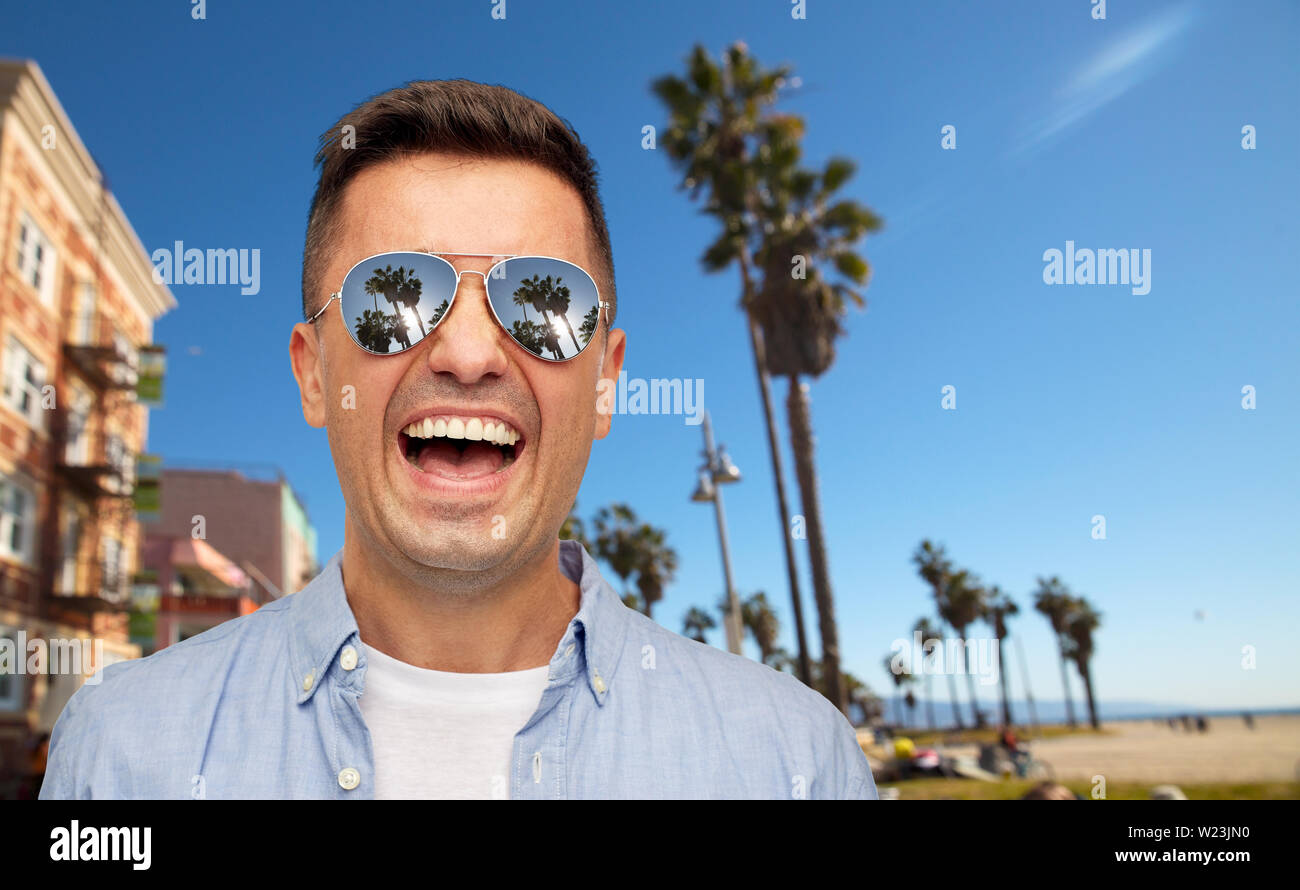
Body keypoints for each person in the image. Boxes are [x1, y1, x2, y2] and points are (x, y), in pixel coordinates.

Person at [41, 79, 876, 800]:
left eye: (545, 302)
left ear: (607, 378)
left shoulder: (795, 760)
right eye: (390, 298)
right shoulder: (117, 753)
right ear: (309, 375)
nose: (469, 355)